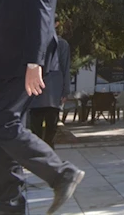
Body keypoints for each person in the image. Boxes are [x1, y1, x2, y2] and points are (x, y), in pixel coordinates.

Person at [0, 0, 84, 214]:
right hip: (8, 67)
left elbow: (42, 16)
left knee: (2, 123)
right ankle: (10, 203)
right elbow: (5, 29)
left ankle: (61, 173)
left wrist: (34, 62)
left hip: (24, 64)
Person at [29, 18, 71, 149]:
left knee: (51, 127)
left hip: (54, 91)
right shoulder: (33, 42)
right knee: (35, 126)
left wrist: (65, 91)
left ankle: (48, 154)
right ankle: (38, 153)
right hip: (36, 90)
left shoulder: (62, 44)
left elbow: (65, 68)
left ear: (56, 24)